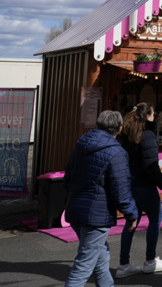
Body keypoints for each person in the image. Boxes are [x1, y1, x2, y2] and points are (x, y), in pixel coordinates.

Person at [64, 110, 139, 287]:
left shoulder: (81, 144)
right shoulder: (116, 152)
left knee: (101, 258)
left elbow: (68, 177)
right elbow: (121, 189)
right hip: (96, 215)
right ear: (119, 128)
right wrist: (131, 214)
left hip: (76, 208)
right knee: (84, 266)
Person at [117, 103, 162, 278]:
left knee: (131, 222)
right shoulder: (147, 136)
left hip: (130, 185)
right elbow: (151, 165)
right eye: (153, 114)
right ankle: (150, 260)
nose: (154, 117)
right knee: (155, 219)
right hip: (145, 186)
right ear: (147, 116)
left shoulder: (126, 135)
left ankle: (123, 264)